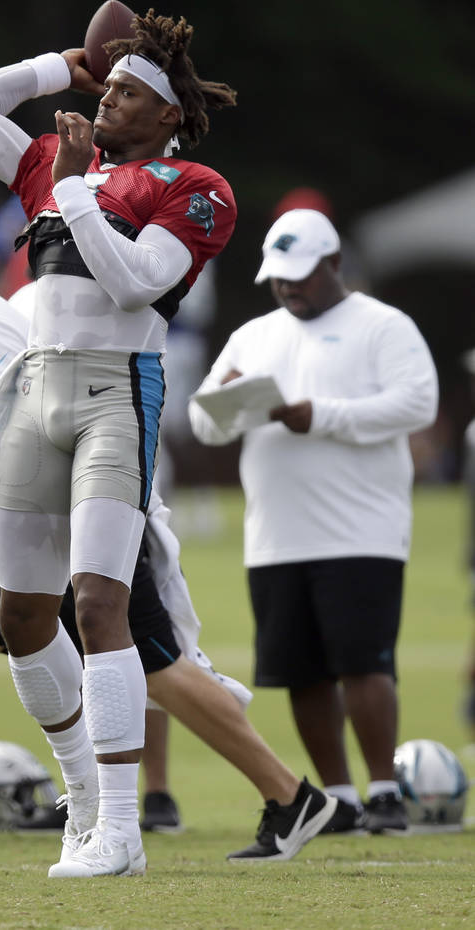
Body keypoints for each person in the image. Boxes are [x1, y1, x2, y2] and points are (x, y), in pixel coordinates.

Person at [0, 216, 336, 867]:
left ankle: (288, 794)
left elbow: (38, 431)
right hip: (36, 519)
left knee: (158, 670)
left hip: (72, 519)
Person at [189, 207, 439, 835]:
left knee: (363, 662)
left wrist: (319, 415)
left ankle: (383, 790)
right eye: (278, 277)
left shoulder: (383, 325)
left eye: (300, 275)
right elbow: (200, 420)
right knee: (300, 669)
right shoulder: (254, 335)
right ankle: (338, 796)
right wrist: (233, 402)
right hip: (275, 533)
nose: (288, 287)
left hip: (363, 527)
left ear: (333, 264)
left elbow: (417, 402)